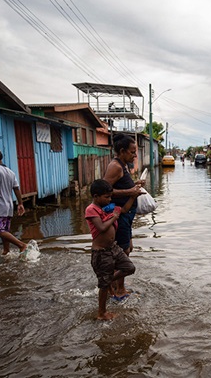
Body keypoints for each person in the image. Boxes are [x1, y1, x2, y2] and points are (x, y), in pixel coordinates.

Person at [86, 179, 137, 320]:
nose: (109, 200)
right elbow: (101, 227)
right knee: (103, 286)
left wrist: (133, 197)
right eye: (106, 197)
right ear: (96, 196)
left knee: (129, 267)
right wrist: (114, 216)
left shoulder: (107, 208)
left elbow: (125, 209)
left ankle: (107, 281)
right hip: (101, 252)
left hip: (113, 248)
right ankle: (101, 313)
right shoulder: (91, 209)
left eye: (110, 197)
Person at [103, 133, 145, 299]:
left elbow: (120, 185)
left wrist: (135, 185)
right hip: (119, 216)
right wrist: (130, 191)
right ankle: (117, 288)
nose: (135, 155)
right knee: (123, 251)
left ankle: (115, 284)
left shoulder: (123, 165)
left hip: (126, 216)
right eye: (132, 152)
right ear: (122, 151)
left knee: (127, 249)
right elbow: (104, 191)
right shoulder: (116, 166)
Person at [0, 147, 28, 255]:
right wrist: (20, 203)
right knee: (5, 230)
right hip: (8, 206)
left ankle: (21, 245)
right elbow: (16, 189)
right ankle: (6, 251)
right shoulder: (10, 172)